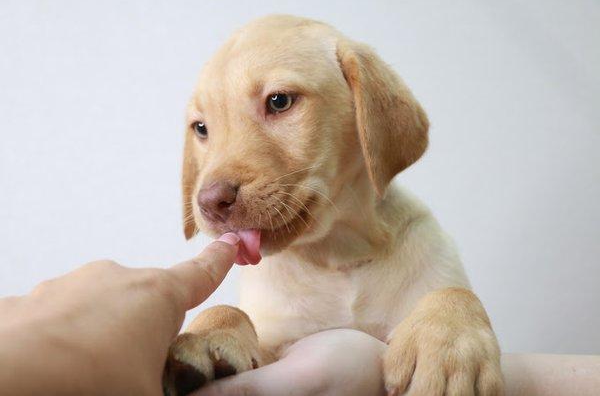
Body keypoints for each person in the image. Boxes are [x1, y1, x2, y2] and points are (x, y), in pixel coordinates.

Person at [1, 233, 599, 396]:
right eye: (203, 129)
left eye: (280, 102)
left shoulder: (424, 250)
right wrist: (219, 322)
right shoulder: (262, 280)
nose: (215, 183)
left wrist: (456, 318)